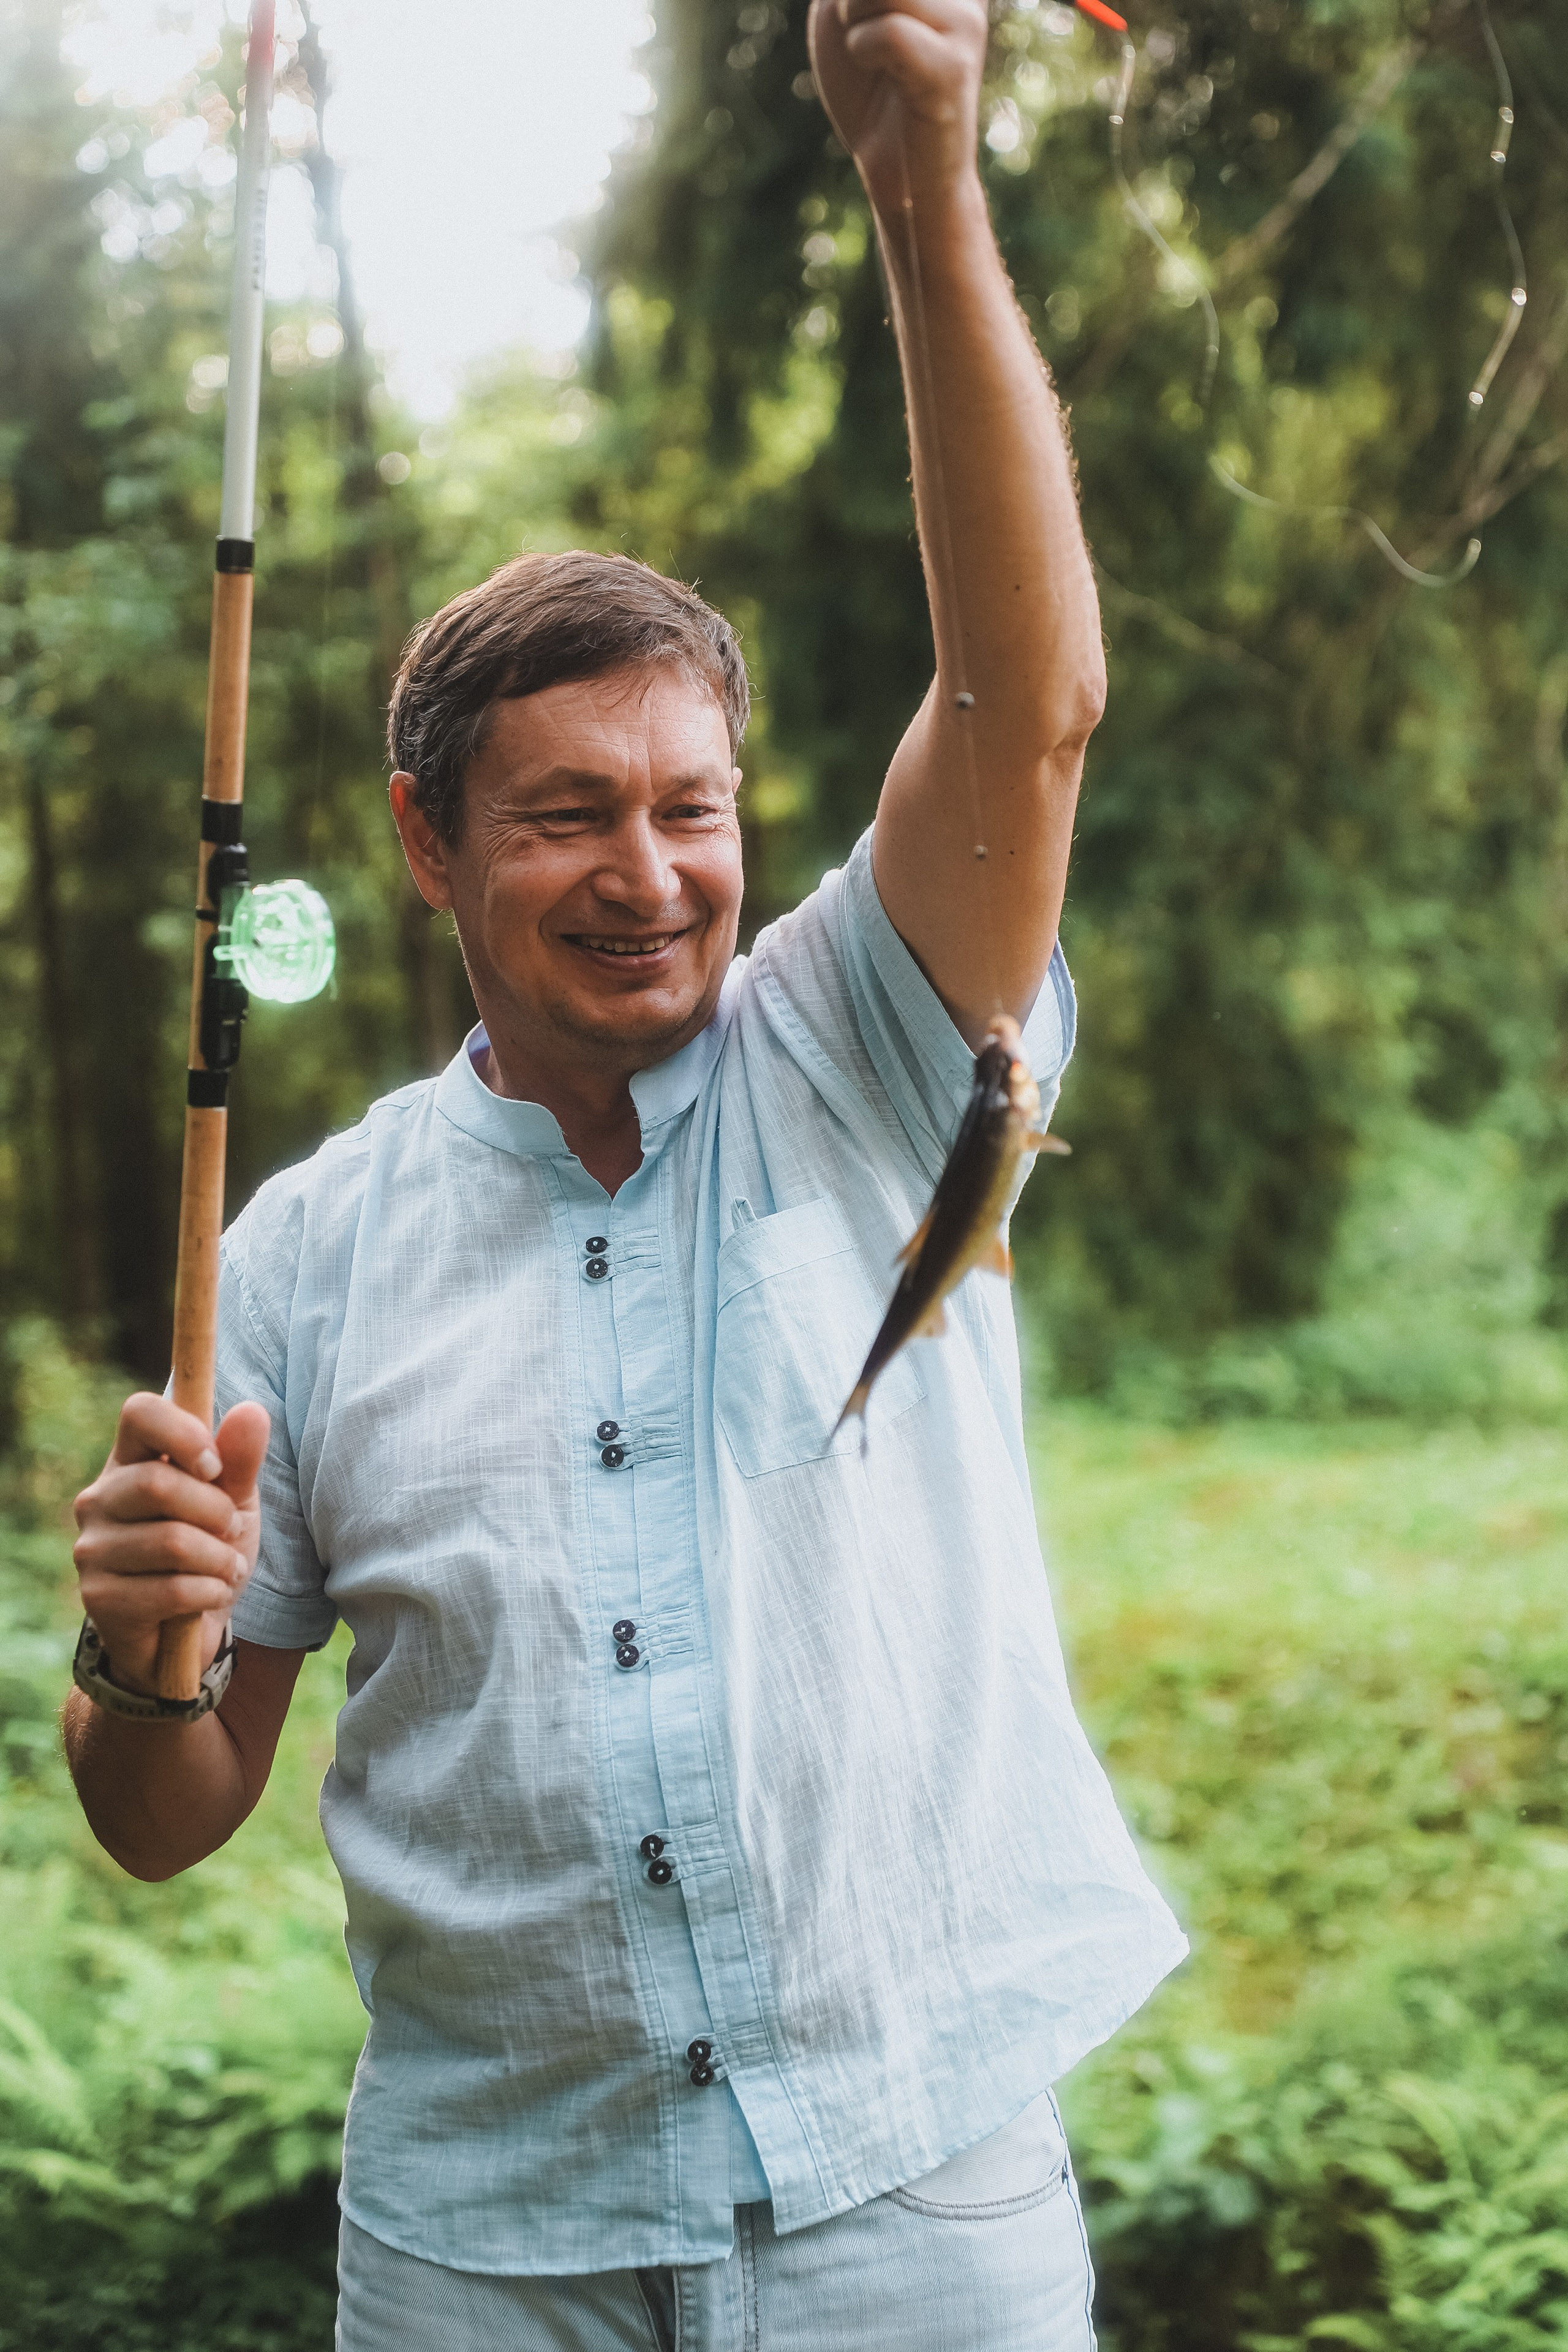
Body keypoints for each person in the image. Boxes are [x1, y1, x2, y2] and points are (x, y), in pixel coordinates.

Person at [64, 2, 1186, 2343]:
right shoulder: (302, 1255)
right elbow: (166, 1816)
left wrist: (923, 173)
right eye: (566, 816)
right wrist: (140, 1664)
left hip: (921, 2194)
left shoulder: (872, 1042)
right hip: (490, 2246)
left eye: (692, 809)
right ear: (430, 848)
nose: (648, 874)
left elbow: (1030, 699)